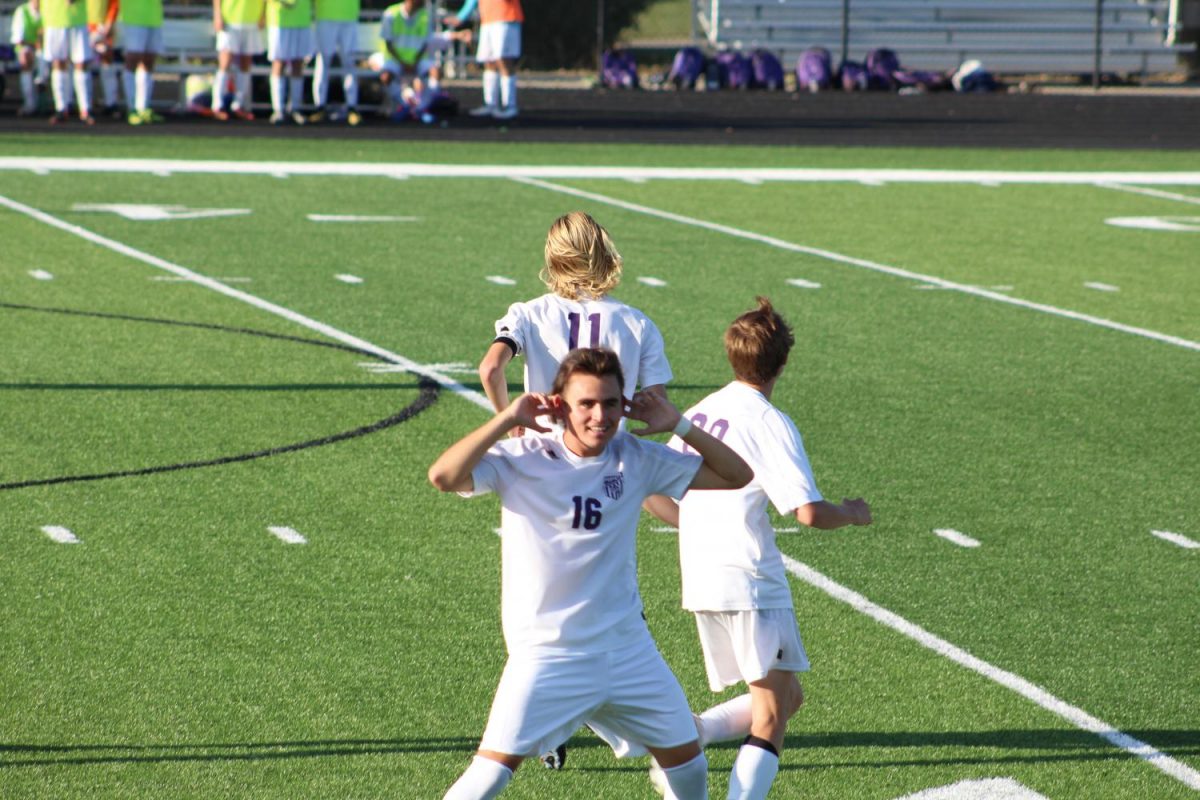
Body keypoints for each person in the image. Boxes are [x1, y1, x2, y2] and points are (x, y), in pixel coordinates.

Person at [429, 347, 754, 799]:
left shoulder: (637, 457)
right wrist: (506, 419)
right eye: (586, 403)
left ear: (625, 404)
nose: (600, 415)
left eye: (610, 403)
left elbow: (736, 475)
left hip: (628, 653)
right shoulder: (521, 457)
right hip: (548, 656)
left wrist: (678, 424)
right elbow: (443, 476)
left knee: (689, 767)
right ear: (560, 405)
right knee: (488, 777)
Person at [644, 296, 873, 799]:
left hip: (702, 576)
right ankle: (688, 751)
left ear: (731, 356)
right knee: (771, 715)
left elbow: (653, 493)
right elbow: (808, 512)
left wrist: (699, 527)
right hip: (749, 578)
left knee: (788, 697)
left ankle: (692, 736)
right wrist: (854, 513)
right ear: (783, 363)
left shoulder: (701, 411)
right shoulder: (768, 421)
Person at [479, 211, 671, 433]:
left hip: (542, 453)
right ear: (604, 253)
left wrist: (508, 420)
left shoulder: (527, 313)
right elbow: (659, 404)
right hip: (607, 454)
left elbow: (490, 369)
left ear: (553, 258)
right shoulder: (638, 323)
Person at [369, 0, 469, 122]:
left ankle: (421, 107)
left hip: (417, 59)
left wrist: (414, 61)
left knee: (435, 72)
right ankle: (406, 104)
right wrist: (403, 62)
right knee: (386, 76)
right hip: (395, 59)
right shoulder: (391, 13)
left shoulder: (424, 15)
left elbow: (427, 42)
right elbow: (388, 44)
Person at [444, 0, 521, 120]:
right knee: (489, 61)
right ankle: (490, 104)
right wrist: (461, 16)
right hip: (488, 19)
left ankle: (510, 106)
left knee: (503, 60)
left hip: (505, 18)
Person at [41, 0, 95, 124]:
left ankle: (85, 109)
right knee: (58, 64)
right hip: (54, 18)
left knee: (81, 63)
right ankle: (61, 108)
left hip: (77, 19)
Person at [210, 0, 265, 120]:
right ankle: (218, 106)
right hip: (230, 20)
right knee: (225, 64)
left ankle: (238, 105)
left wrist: (263, 15)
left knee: (245, 65)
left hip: (252, 20)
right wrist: (218, 16)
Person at [309, 0, 359, 125]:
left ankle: (352, 108)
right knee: (323, 61)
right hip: (325, 15)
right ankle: (320, 106)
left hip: (349, 15)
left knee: (349, 62)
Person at [265, 0, 313, 124]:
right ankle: (278, 110)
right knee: (279, 62)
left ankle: (295, 108)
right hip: (279, 18)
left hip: (301, 18)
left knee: (298, 63)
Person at [118, 0, 164, 124]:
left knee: (149, 62)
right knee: (133, 59)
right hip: (134, 17)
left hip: (154, 17)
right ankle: (132, 109)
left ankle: (143, 107)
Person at [86, 0, 120, 116]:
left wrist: (109, 23)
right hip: (81, 27)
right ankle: (84, 106)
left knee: (107, 58)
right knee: (79, 63)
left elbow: (114, 4)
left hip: (101, 27)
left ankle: (111, 103)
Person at [10, 0, 43, 116]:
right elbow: (19, 41)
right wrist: (36, 46)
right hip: (29, 49)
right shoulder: (22, 11)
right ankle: (30, 104)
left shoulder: (47, 11)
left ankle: (66, 104)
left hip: (45, 51)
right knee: (25, 58)